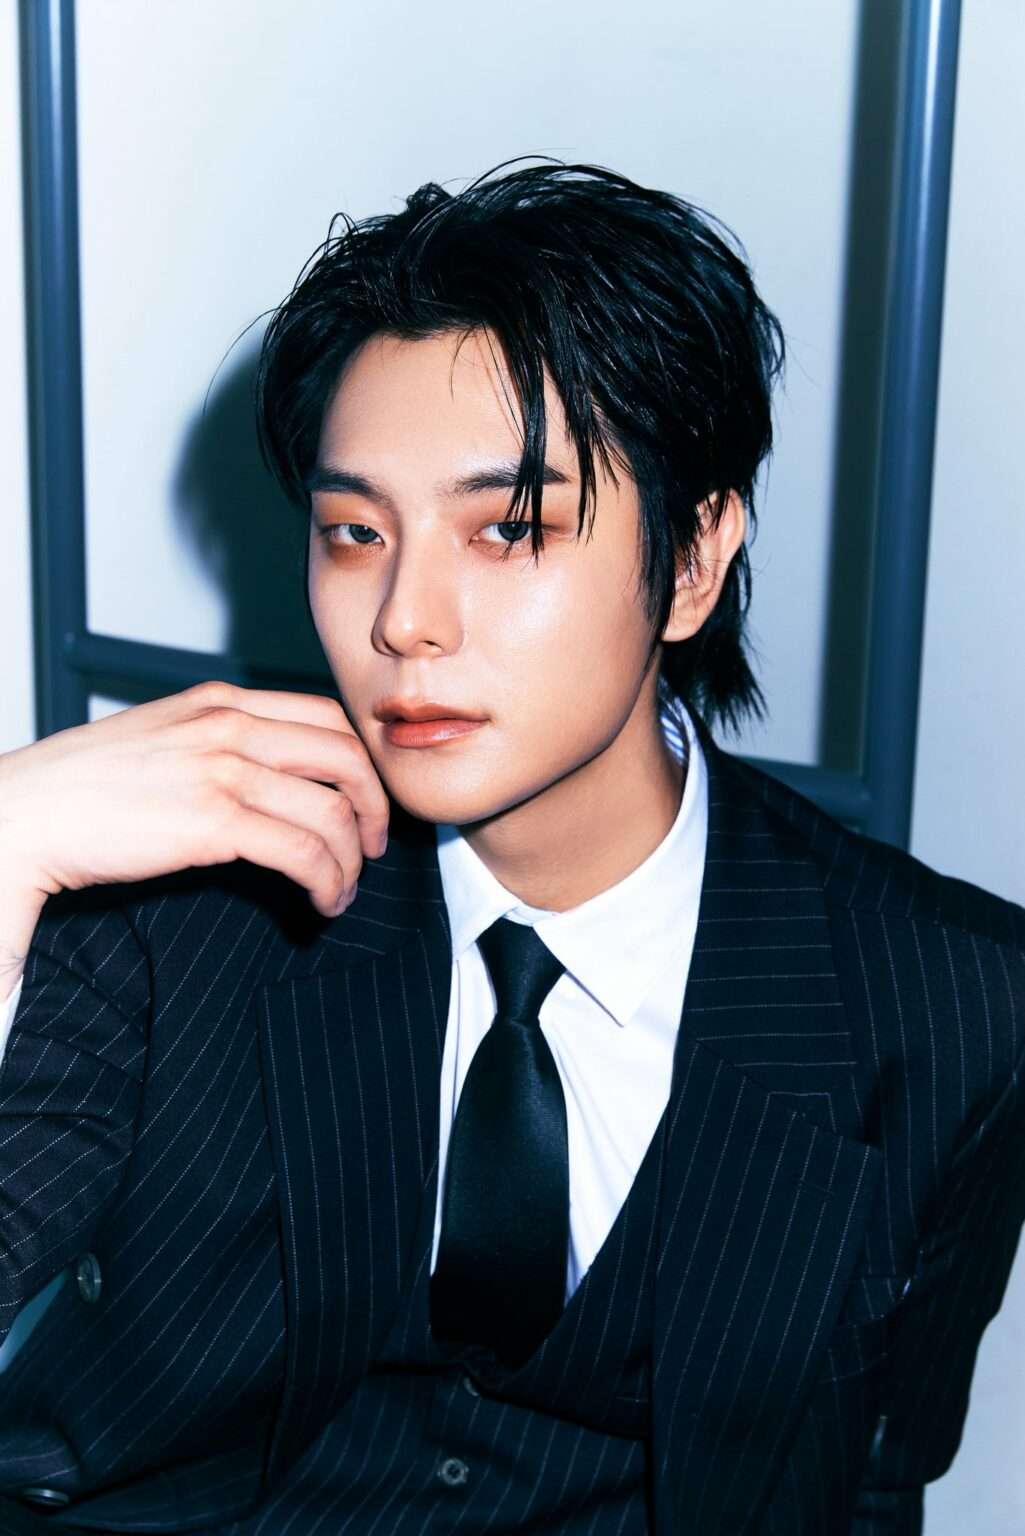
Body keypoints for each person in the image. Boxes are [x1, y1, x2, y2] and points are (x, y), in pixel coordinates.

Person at [0, 157, 1021, 1536]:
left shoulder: (954, 1001)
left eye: (510, 528)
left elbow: (870, 1475)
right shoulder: (178, 906)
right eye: (353, 532)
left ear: (692, 560)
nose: (404, 619)